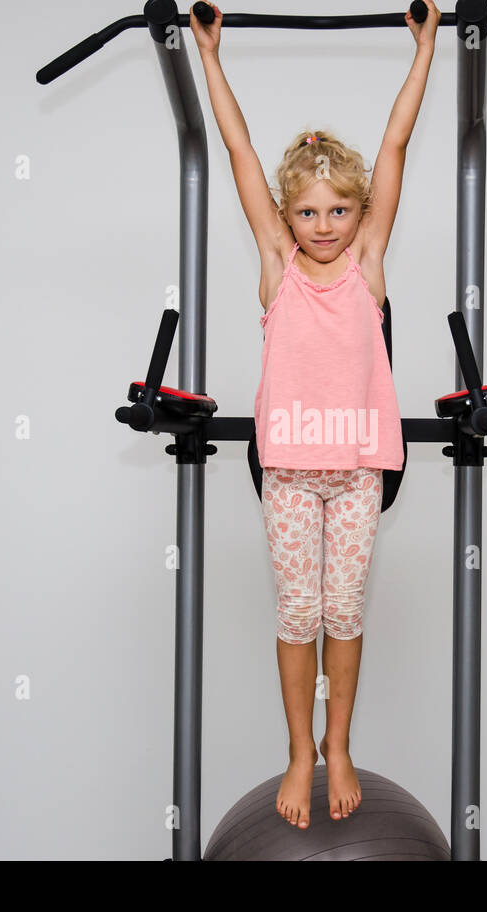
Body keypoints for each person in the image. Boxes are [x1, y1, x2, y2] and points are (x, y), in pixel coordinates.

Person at [190, 1, 440, 830]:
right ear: (286, 218)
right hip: (292, 471)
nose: (324, 226)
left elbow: (396, 142)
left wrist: (425, 47)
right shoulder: (278, 265)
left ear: (360, 215)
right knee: (297, 615)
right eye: (308, 213)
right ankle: (299, 750)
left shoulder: (368, 261)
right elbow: (238, 149)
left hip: (359, 468)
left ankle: (340, 744)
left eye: (339, 211)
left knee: (345, 614)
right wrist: (210, 57)